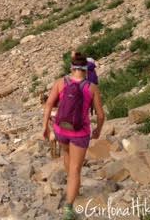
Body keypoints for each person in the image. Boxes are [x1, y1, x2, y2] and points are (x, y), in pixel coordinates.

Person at [42, 51, 105, 220]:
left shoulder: (60, 82)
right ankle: (69, 209)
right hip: (80, 132)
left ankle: (71, 183)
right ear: (86, 70)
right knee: (76, 169)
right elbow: (100, 115)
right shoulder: (91, 88)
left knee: (67, 155)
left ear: (71, 68)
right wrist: (98, 129)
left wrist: (45, 128)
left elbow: (49, 104)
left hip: (61, 129)